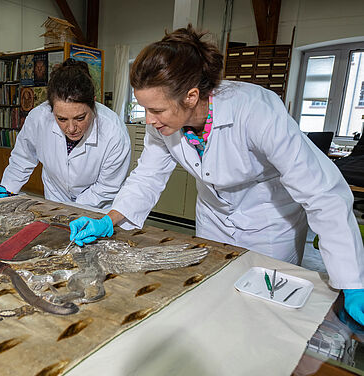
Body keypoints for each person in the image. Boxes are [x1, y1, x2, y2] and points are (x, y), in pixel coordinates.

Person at [69, 25, 364, 325]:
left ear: (191, 96)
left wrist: (352, 280)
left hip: (269, 222)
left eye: (156, 110)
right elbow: (147, 175)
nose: (150, 119)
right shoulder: (163, 121)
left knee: (266, 315)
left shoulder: (256, 111)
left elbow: (321, 192)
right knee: (214, 304)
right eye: (145, 108)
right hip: (214, 220)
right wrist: (110, 219)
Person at [0, 58, 131, 210]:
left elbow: (106, 187)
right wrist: (8, 187)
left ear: (93, 103)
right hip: (55, 199)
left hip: (96, 207)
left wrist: (70, 209)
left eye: (80, 118)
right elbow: (23, 157)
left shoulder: (114, 131)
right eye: (61, 119)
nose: (71, 128)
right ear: (51, 108)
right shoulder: (39, 118)